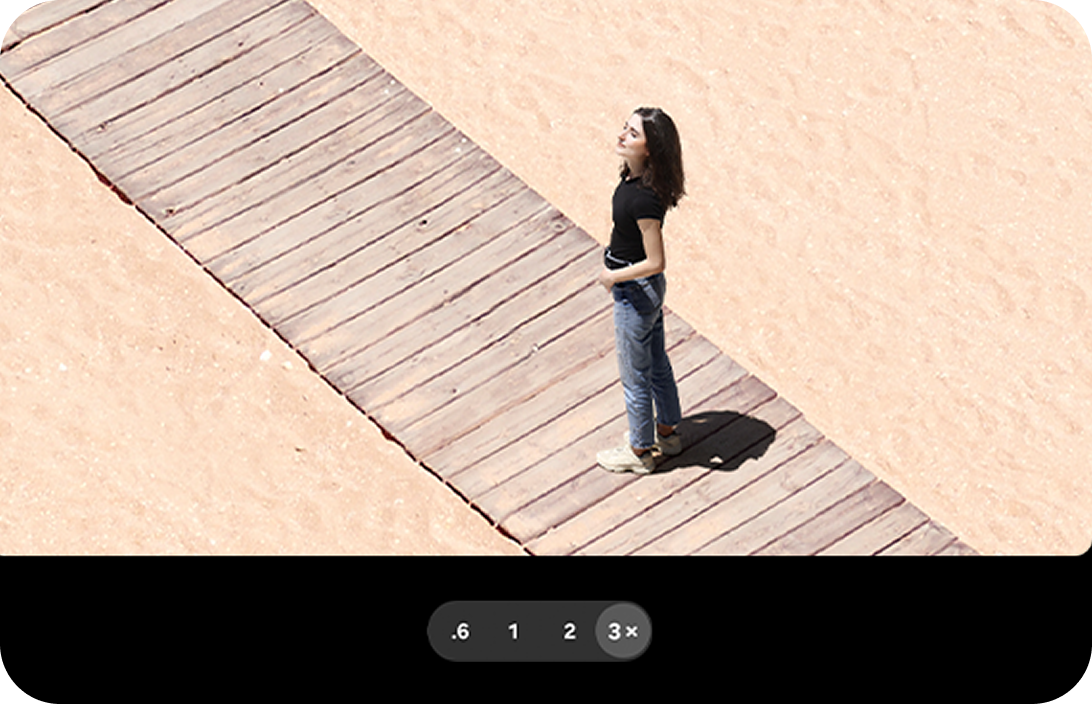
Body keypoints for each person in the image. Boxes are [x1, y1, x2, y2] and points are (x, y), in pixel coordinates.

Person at [596, 107, 686, 474]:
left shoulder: (644, 199)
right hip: (644, 293)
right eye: (625, 128)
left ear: (650, 149)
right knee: (656, 362)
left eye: (633, 134)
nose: (622, 135)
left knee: (635, 374)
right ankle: (667, 433)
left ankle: (639, 451)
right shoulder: (633, 180)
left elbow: (656, 261)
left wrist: (613, 277)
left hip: (635, 293)